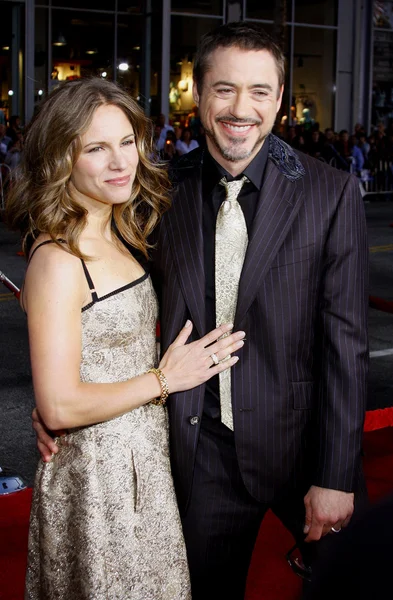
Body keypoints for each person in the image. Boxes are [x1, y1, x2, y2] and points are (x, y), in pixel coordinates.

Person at [33, 22, 369, 600]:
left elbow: (347, 343)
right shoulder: (158, 192)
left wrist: (336, 475)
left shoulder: (329, 192)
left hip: (302, 447)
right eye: (224, 89)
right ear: (198, 93)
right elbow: (96, 291)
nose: (242, 108)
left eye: (260, 91)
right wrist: (63, 402)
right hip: (200, 455)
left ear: (280, 99)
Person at [6, 77, 244, 600]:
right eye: (95, 148)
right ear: (59, 158)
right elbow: (61, 404)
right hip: (97, 479)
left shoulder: (121, 227)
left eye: (127, 141)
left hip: (143, 461)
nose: (121, 162)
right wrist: (165, 378)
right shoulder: (58, 260)